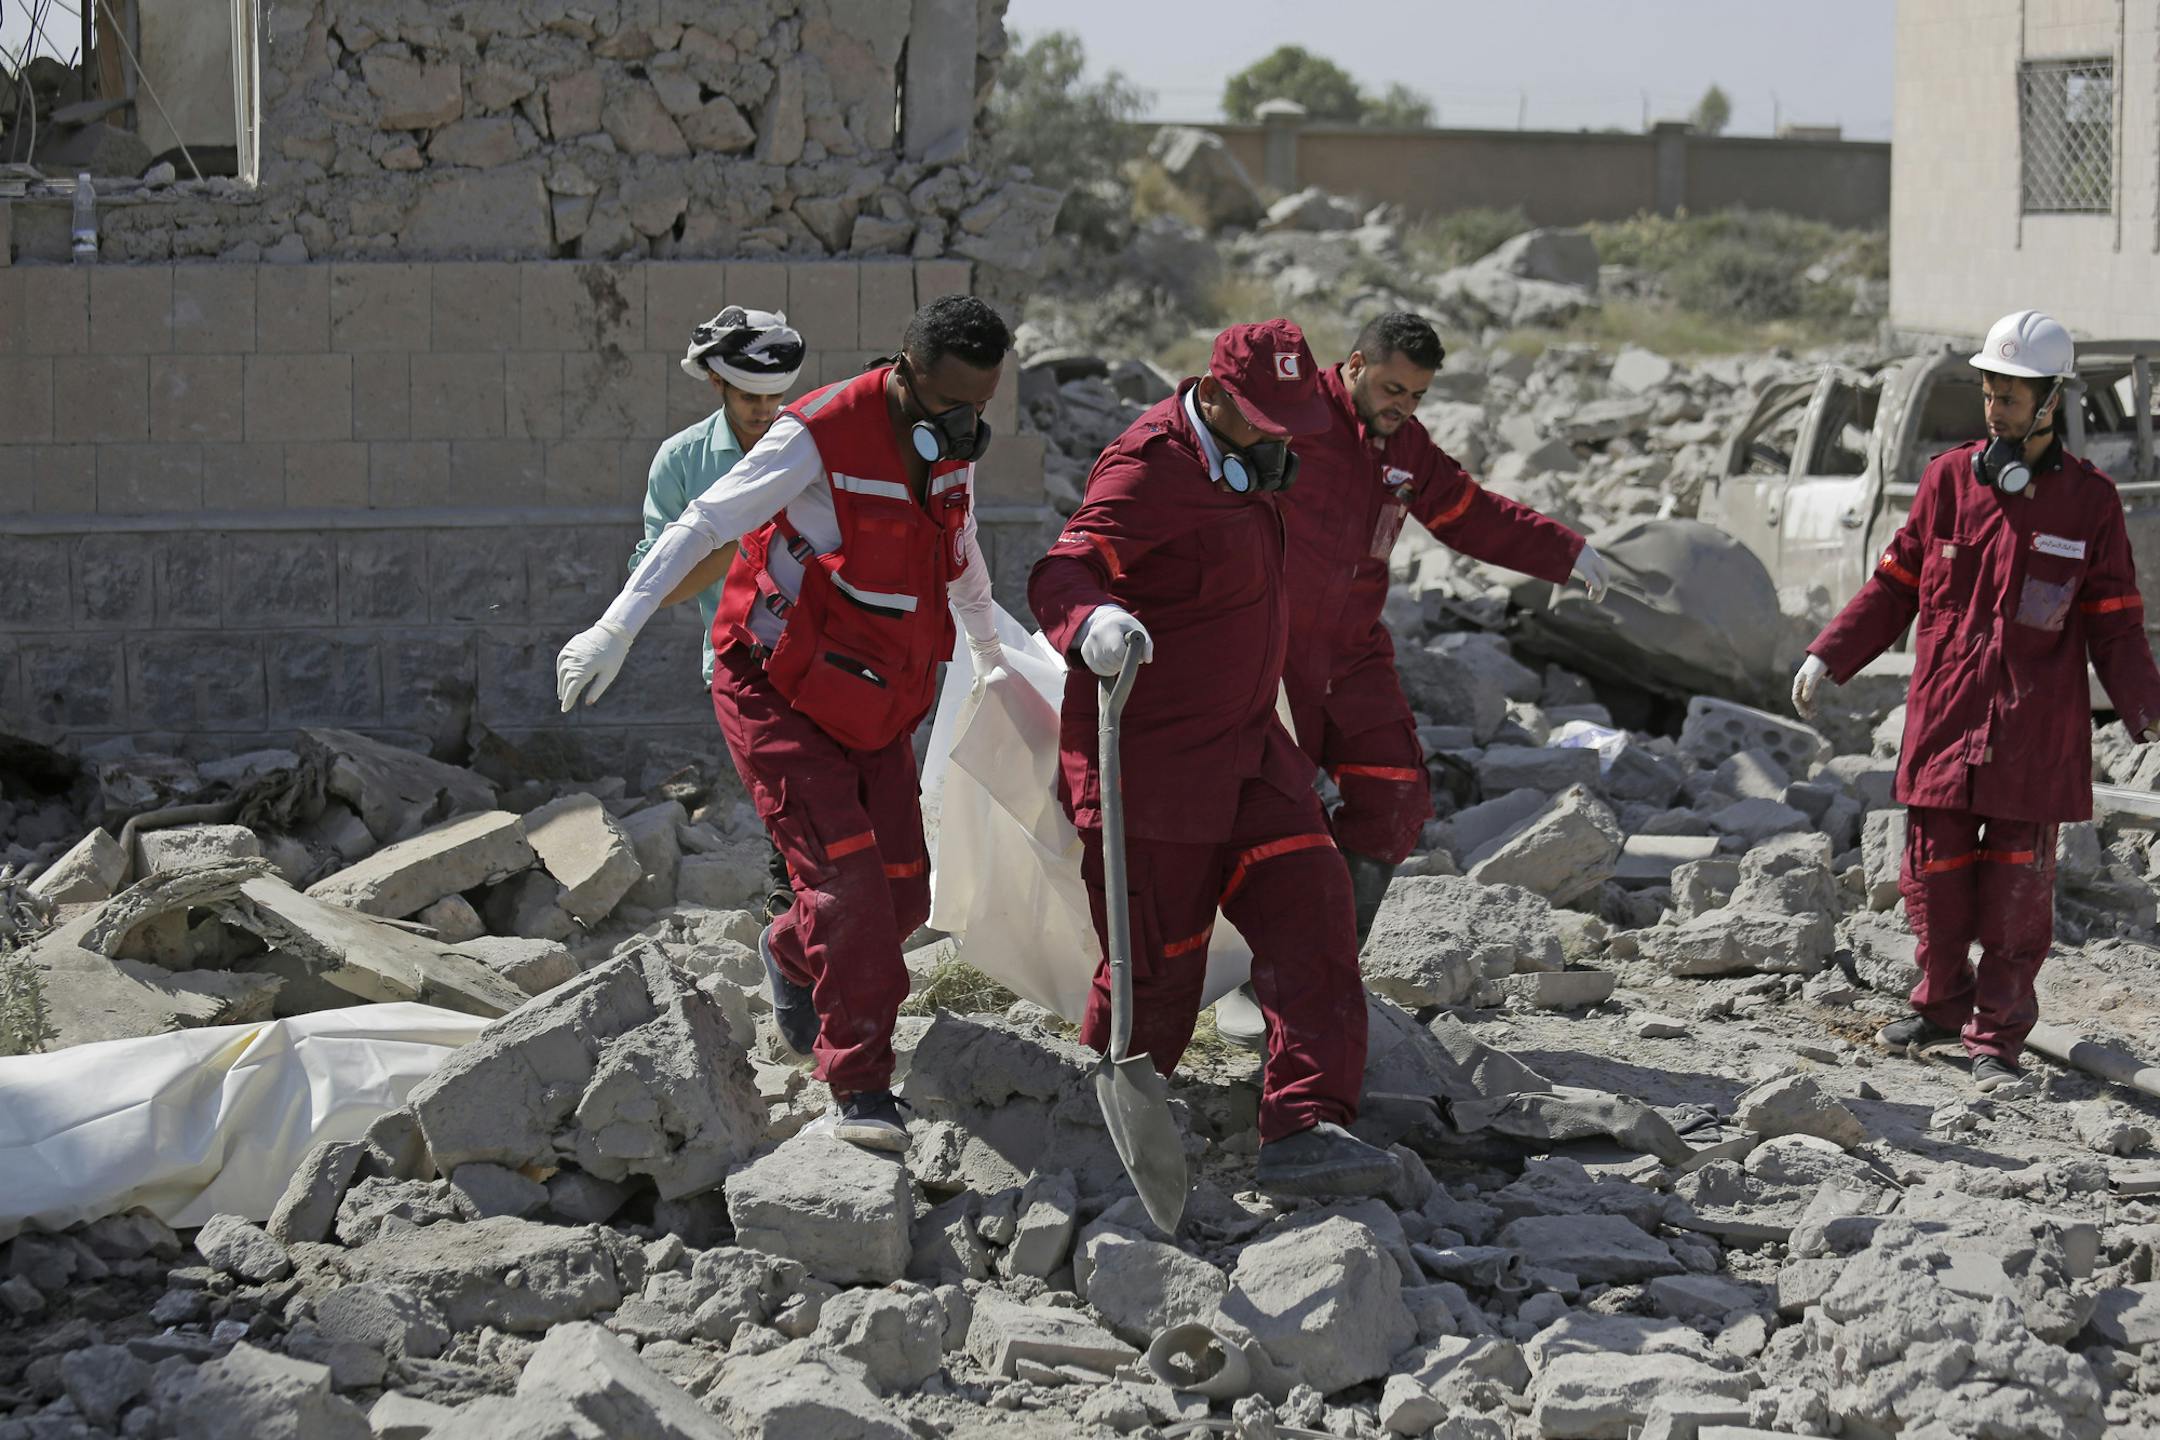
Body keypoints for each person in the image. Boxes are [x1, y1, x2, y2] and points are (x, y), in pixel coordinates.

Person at [557, 294, 1013, 1151]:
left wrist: (992, 653)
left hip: (873, 697)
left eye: (981, 405)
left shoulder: (948, 446)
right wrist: (614, 625)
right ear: (907, 371)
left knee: (906, 892)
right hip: (778, 689)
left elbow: (961, 545)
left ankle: (787, 949)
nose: (967, 420)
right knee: (847, 887)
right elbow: (703, 523)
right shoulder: (816, 434)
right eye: (954, 401)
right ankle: (859, 1087)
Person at [1029, 318, 1401, 1198]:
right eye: (1262, 416)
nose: (1280, 434)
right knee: (1158, 967)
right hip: (1150, 768)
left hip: (1248, 748)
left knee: (1315, 909)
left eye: (1291, 417)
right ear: (1213, 393)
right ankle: (1108, 1121)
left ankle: (1307, 1126)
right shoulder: (1147, 468)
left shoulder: (1266, 454)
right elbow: (1061, 571)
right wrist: (1096, 626)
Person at [1216, 311, 1611, 1049]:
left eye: (1419, 396)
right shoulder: (1290, 422)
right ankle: (1251, 977)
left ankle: (1319, 974)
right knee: (1269, 816)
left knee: (1395, 794)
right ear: (1355, 364)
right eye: (1394, 387)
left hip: (1353, 656)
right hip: (1269, 655)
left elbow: (1469, 513)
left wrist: (1564, 550)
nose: (1404, 405)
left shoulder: (1404, 448)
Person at [1793, 309, 2160, 1091]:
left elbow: (2116, 624)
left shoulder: (2089, 503)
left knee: (2016, 896)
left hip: (2034, 730)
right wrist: (1831, 653)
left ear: (2050, 403)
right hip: (1947, 718)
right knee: (1934, 879)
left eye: (2012, 395)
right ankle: (1939, 1005)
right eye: (1990, 390)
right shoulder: (1948, 481)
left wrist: (2145, 710)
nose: (1995, 407)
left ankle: (1996, 1036)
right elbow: (1894, 587)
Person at [636, 306, 805, 921]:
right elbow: (658, 583)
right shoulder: (682, 462)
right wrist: (739, 529)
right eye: (749, 396)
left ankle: (810, 924)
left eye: (777, 395)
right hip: (742, 666)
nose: (766, 411)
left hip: (828, 656)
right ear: (716, 383)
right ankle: (790, 927)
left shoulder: (813, 441)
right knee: (785, 806)